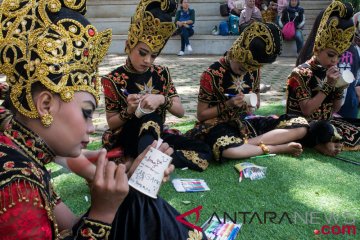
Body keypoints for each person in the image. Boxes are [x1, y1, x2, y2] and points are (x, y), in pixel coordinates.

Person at [0, 0, 205, 239]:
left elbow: (71, 224)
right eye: (87, 113)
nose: (91, 127)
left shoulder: (26, 157)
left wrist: (129, 188)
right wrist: (103, 210)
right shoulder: (16, 186)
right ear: (45, 105)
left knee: (143, 202)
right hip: (129, 134)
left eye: (154, 54)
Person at [101, 0, 211, 174]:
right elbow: (112, 123)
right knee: (149, 117)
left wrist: (161, 99)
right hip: (127, 137)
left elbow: (180, 112)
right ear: (131, 43)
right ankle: (148, 164)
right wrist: (129, 110)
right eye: (143, 53)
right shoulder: (112, 79)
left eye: (154, 55)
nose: (148, 61)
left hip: (155, 136)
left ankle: (146, 160)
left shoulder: (162, 73)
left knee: (203, 149)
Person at [186, 21, 309, 162]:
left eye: (249, 69)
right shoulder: (212, 74)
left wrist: (252, 106)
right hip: (217, 126)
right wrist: (228, 104)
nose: (245, 72)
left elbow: (256, 102)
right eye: (242, 68)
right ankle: (277, 148)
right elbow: (201, 115)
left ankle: (246, 145)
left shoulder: (254, 70)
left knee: (301, 125)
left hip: (244, 125)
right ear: (238, 50)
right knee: (226, 148)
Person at [286, 0, 360, 156]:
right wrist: (327, 86)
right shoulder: (300, 73)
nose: (335, 61)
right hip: (303, 125)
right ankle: (321, 144)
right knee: (322, 130)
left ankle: (325, 141)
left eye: (339, 56)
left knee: (350, 127)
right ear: (318, 47)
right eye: (331, 55)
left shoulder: (330, 70)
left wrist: (339, 88)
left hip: (326, 122)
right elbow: (306, 110)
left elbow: (335, 109)